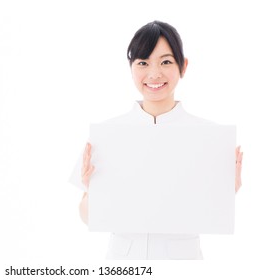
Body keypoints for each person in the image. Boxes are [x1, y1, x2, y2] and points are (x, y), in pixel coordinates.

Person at [71, 20, 243, 260]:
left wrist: (224, 193)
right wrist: (92, 191)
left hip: (182, 261)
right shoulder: (109, 134)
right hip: (123, 260)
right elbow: (87, 217)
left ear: (183, 66)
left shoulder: (208, 137)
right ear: (131, 68)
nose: (154, 73)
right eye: (143, 62)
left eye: (166, 62)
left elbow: (210, 215)